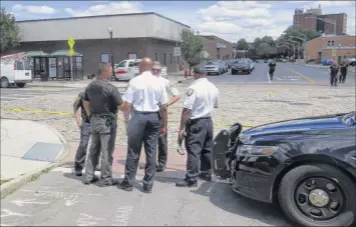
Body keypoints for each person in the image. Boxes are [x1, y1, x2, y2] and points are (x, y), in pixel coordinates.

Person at [118, 57, 168, 193]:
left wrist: (125, 117)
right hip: (154, 117)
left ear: (141, 66)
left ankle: (128, 182)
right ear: (151, 67)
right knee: (151, 151)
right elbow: (164, 106)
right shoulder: (159, 82)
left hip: (139, 116)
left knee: (133, 151)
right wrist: (163, 124)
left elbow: (127, 105)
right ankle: (148, 184)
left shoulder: (135, 81)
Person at [175, 65, 219, 187]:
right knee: (207, 149)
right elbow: (215, 104)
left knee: (194, 150)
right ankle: (206, 172)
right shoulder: (213, 87)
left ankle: (191, 178)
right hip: (208, 121)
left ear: (196, 74)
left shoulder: (193, 88)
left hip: (196, 122)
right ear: (206, 74)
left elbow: (187, 110)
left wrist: (181, 128)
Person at [83, 63, 124, 187]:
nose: (112, 73)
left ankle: (89, 176)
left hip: (94, 120)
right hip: (107, 122)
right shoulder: (110, 88)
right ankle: (105, 178)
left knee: (93, 149)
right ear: (105, 72)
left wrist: (90, 115)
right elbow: (121, 106)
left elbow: (85, 102)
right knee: (106, 151)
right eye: (110, 71)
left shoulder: (90, 86)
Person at [151, 61, 181, 172]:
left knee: (161, 139)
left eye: (157, 70)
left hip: (160, 112)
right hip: (148, 112)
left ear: (160, 71)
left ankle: (162, 162)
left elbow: (177, 95)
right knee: (150, 140)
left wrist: (166, 104)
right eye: (153, 69)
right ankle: (151, 162)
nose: (155, 72)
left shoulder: (164, 82)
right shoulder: (146, 81)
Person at [73, 90, 91, 176]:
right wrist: (78, 121)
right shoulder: (83, 94)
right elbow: (75, 107)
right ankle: (78, 166)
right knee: (84, 144)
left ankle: (96, 164)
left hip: (98, 122)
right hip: (86, 123)